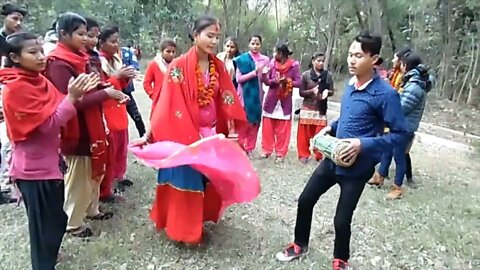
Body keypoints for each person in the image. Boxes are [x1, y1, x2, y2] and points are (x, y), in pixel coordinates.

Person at [275, 31, 408, 270]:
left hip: (358, 168)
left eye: (358, 55)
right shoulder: (350, 84)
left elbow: (401, 135)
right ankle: (299, 244)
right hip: (332, 159)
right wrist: (329, 128)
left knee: (341, 220)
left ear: (374, 59)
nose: (351, 60)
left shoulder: (386, 94)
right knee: (306, 200)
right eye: (350, 54)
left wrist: (362, 144)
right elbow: (348, 118)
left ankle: (340, 261)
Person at [131, 15, 248, 245]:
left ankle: (199, 220)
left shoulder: (219, 66)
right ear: (195, 36)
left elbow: (227, 98)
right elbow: (167, 105)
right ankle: (182, 231)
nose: (214, 41)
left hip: (211, 134)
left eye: (217, 37)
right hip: (184, 135)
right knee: (186, 180)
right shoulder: (178, 66)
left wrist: (232, 130)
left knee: (208, 179)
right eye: (209, 36)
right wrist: (148, 134)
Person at [0, 31, 96, 270]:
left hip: (50, 164)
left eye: (41, 50)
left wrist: (75, 95)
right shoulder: (16, 88)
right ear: (14, 57)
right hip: (33, 171)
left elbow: (57, 103)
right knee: (43, 228)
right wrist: (72, 99)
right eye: (33, 52)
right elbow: (49, 124)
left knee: (56, 219)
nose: (42, 57)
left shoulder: (39, 81)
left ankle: (48, 256)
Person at [44, 12, 125, 238]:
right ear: (63, 34)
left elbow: (93, 86)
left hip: (94, 123)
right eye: (80, 34)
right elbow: (69, 101)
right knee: (80, 173)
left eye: (86, 34)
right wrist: (104, 94)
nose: (85, 39)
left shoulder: (82, 57)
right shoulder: (59, 63)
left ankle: (92, 209)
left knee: (94, 170)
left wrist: (108, 91)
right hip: (77, 128)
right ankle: (73, 222)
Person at [370, 52, 431, 199]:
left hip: (405, 127)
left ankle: (397, 187)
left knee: (399, 156)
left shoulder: (415, 86)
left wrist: (388, 107)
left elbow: (403, 107)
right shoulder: (411, 81)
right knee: (387, 150)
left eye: (402, 64)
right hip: (397, 124)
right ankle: (380, 176)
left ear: (406, 66)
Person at [99, 26, 135, 192]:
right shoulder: (98, 62)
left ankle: (120, 175)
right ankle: (109, 180)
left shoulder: (116, 60)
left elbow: (120, 86)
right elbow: (103, 87)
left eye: (117, 41)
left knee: (122, 142)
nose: (116, 45)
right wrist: (117, 77)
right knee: (112, 145)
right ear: (102, 43)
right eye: (112, 42)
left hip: (119, 106)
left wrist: (125, 78)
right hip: (107, 108)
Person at [261, 42, 301, 163]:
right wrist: (270, 78)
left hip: (285, 100)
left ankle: (280, 153)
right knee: (267, 126)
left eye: (275, 52)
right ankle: (266, 150)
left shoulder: (294, 66)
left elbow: (299, 82)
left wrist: (287, 81)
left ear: (282, 53)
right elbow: (267, 82)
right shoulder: (271, 64)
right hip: (272, 99)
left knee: (283, 129)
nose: (273, 54)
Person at [234, 34, 270, 158]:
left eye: (257, 43)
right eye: (253, 43)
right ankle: (240, 147)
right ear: (249, 44)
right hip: (244, 96)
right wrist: (253, 73)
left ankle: (249, 148)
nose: (255, 46)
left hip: (257, 97)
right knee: (243, 122)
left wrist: (265, 75)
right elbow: (239, 79)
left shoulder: (265, 60)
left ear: (261, 45)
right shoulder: (242, 59)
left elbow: (266, 81)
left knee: (254, 123)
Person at [297, 52, 334, 164]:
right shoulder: (305, 75)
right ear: (313, 61)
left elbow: (332, 90)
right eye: (318, 61)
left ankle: (319, 153)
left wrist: (328, 92)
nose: (321, 63)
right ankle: (303, 154)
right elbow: (301, 92)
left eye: (323, 61)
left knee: (321, 132)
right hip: (307, 107)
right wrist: (312, 91)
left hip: (321, 107)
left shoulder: (328, 75)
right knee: (304, 133)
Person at [143, 38, 176, 117]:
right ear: (162, 51)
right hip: (159, 102)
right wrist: (154, 95)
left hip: (174, 102)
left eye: (173, 52)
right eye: (168, 51)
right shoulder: (154, 64)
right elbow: (146, 83)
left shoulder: (176, 64)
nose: (171, 54)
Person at [121, 43, 146, 137]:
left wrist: (128, 71)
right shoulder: (102, 57)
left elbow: (135, 65)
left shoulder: (126, 52)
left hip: (126, 90)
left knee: (136, 115)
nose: (115, 43)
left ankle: (144, 137)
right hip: (112, 91)